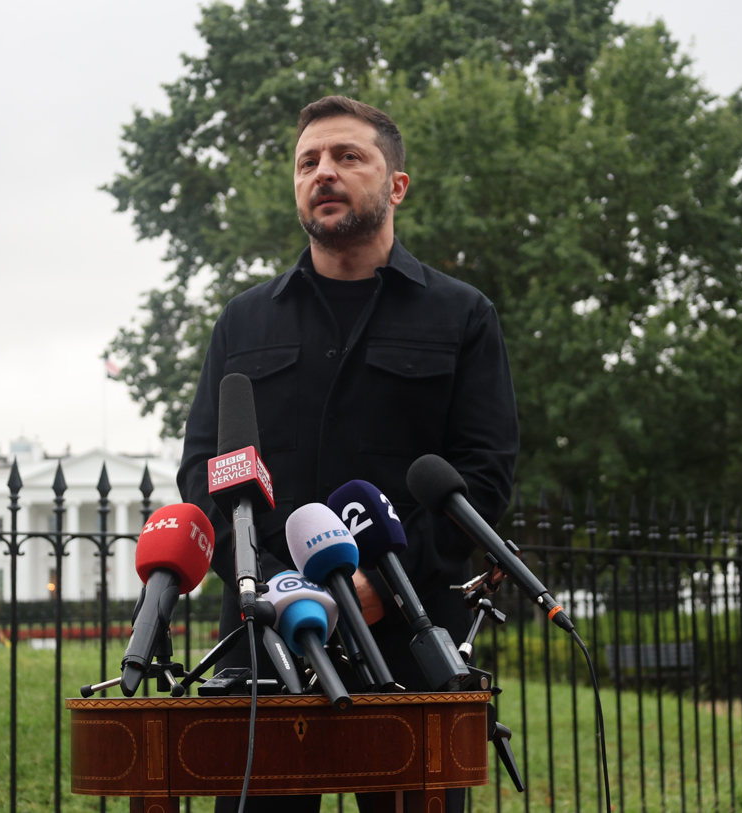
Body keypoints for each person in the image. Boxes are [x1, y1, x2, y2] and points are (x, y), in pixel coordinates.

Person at [177, 96, 520, 813]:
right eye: (308, 162)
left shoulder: (462, 316)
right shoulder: (242, 322)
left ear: (396, 184)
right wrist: (273, 587)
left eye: (347, 157)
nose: (323, 172)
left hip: (413, 643)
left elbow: (481, 480)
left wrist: (381, 587)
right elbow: (205, 475)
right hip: (266, 641)